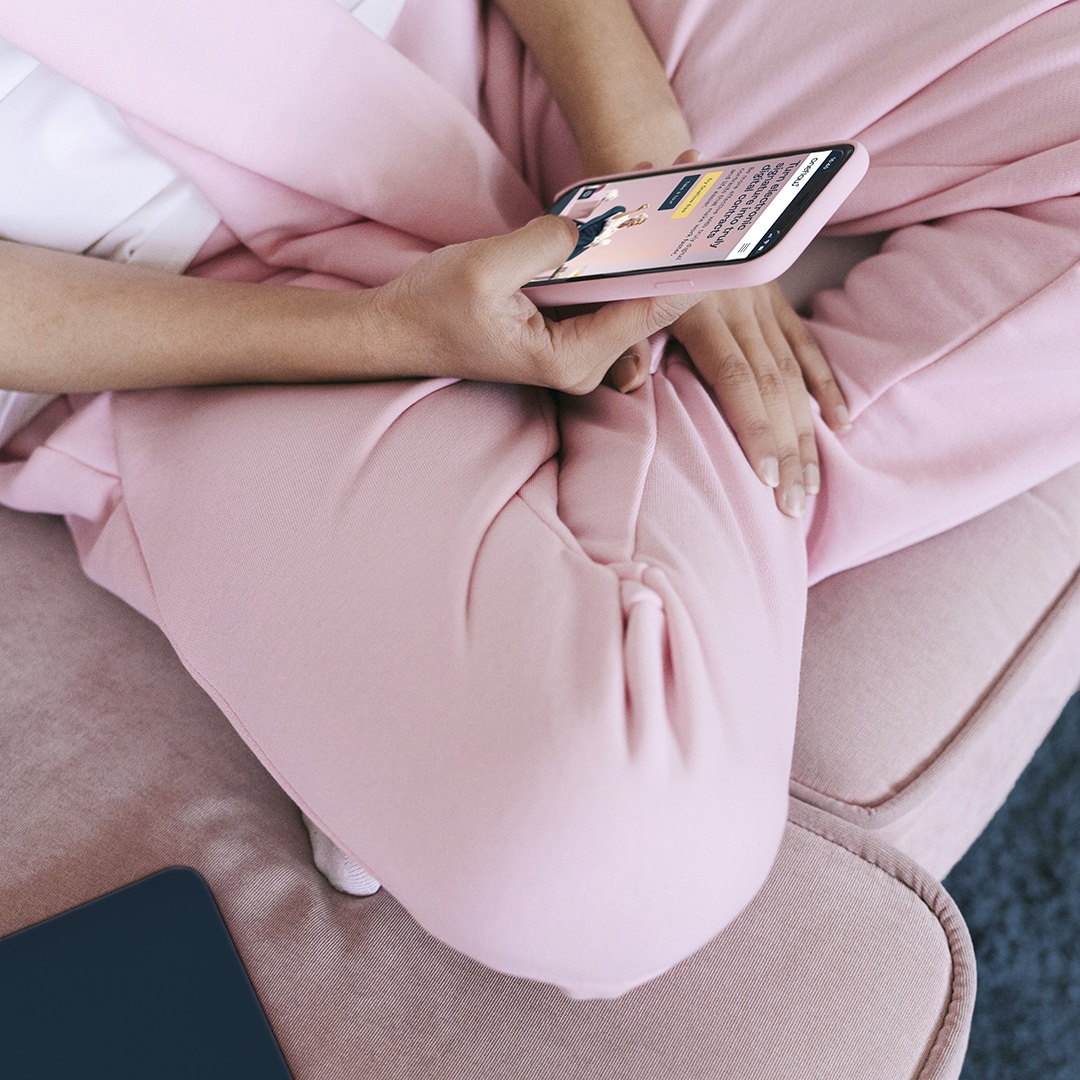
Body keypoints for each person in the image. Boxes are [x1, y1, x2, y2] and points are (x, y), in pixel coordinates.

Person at [1, 0, 1078, 999]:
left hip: (503, 46)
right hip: (193, 318)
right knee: (612, 862)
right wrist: (386, 337)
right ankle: (697, 412)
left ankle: (681, 411)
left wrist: (649, 154)